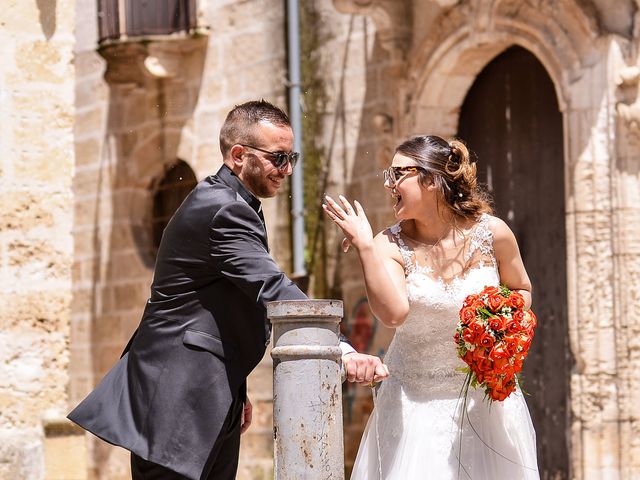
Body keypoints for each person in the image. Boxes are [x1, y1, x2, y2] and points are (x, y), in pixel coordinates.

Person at [68, 100, 389, 480]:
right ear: (238, 154)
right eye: (278, 157)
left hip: (203, 392)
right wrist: (339, 347)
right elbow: (272, 288)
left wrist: (232, 389)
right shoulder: (225, 209)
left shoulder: (231, 202)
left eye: (292, 157)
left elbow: (220, 308)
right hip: (177, 400)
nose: (286, 170)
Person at [323, 135, 539, 479]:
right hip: (414, 408)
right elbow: (394, 314)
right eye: (387, 175)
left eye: (397, 174)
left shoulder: (494, 233)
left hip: (484, 403)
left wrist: (502, 319)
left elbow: (521, 290)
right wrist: (365, 246)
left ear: (432, 178)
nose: (389, 184)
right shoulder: (387, 244)